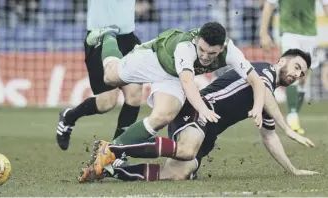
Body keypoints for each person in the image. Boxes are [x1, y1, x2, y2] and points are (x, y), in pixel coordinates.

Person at [77, 49, 318, 183]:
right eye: (297, 67)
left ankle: (110, 170)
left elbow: (269, 137)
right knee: (187, 151)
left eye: (302, 73)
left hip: (207, 132)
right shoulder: (264, 71)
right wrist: (287, 128)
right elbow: (262, 90)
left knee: (180, 172)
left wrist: (292, 170)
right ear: (282, 61)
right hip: (197, 111)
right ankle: (113, 150)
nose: (298, 74)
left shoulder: (268, 97)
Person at [84, 22, 266, 152]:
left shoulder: (231, 51)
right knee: (109, 77)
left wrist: (257, 107)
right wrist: (202, 109)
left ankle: (110, 152)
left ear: (221, 48)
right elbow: (187, 83)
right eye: (201, 50)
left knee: (163, 116)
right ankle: (108, 35)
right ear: (197, 41)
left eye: (211, 53)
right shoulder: (185, 46)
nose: (204, 56)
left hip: (171, 76)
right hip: (151, 59)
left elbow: (256, 81)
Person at [56, 0, 143, 150]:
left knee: (134, 95)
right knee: (107, 102)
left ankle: (116, 152)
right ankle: (70, 116)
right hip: (100, 37)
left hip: (128, 38)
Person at [260, 0, 328, 134]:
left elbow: (326, 6)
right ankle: (292, 115)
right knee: (290, 69)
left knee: (303, 77)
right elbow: (269, 5)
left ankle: (294, 112)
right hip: (288, 32)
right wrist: (263, 33)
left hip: (310, 34)